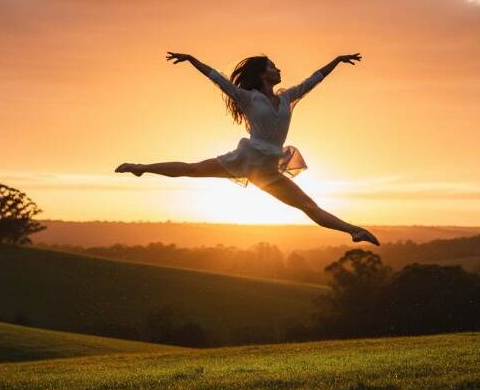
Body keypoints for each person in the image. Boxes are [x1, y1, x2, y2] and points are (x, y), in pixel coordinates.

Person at [115, 52, 380, 245]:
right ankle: (139, 168)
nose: (279, 70)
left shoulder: (287, 97)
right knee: (192, 169)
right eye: (274, 67)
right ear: (264, 74)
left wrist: (336, 61)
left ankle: (354, 231)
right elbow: (218, 79)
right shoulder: (248, 98)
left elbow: (314, 80)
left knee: (308, 206)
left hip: (269, 172)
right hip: (247, 159)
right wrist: (192, 60)